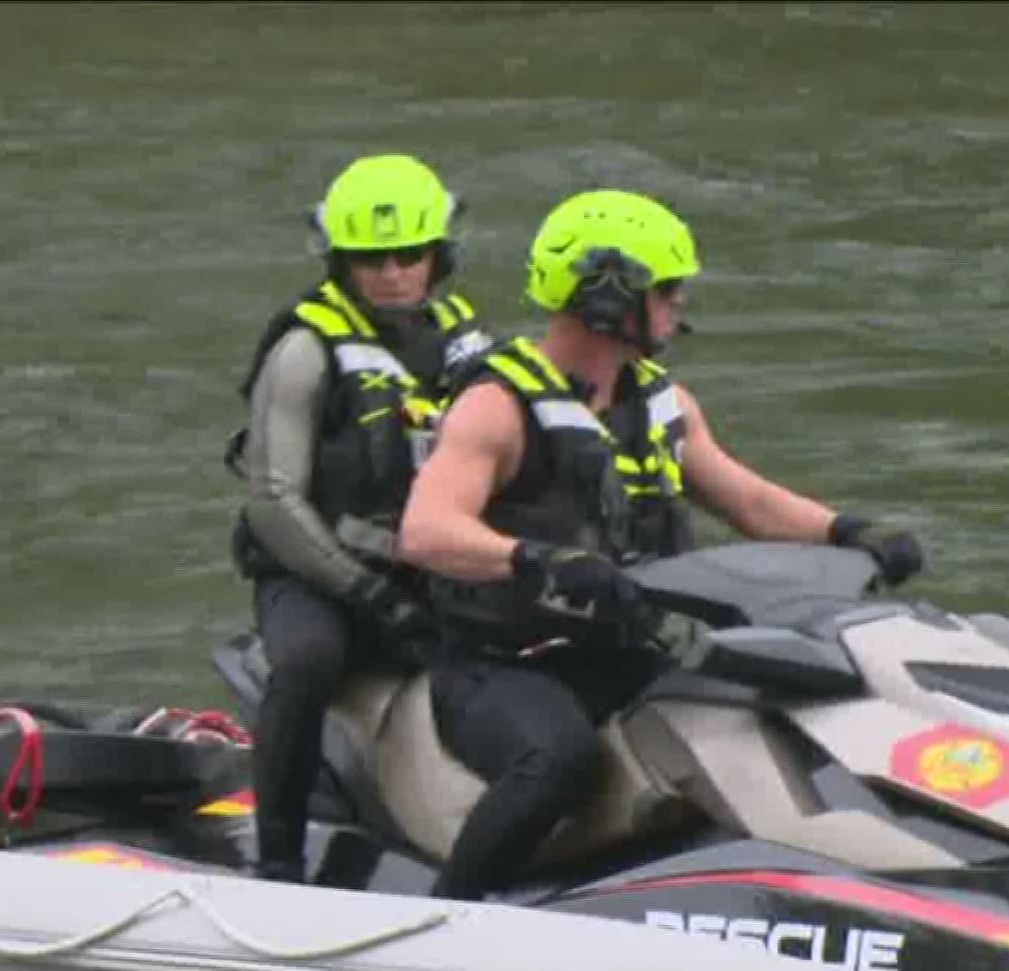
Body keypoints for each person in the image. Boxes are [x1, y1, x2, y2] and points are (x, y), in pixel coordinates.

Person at [396, 189, 925, 902]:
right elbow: (426, 530)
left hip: (612, 653)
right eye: (667, 289)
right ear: (610, 298)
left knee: (759, 708)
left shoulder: (661, 401)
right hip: (499, 667)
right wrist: (536, 558)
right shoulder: (497, 404)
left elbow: (746, 499)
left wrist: (850, 532)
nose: (679, 305)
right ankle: (452, 914)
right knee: (557, 759)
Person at [227, 153, 500, 884]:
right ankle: (278, 856)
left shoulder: (467, 341)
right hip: (316, 577)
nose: (391, 272)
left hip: (435, 570)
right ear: (340, 261)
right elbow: (274, 501)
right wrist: (365, 592)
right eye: (369, 258)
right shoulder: (303, 352)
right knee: (309, 662)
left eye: (407, 255)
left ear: (438, 255)